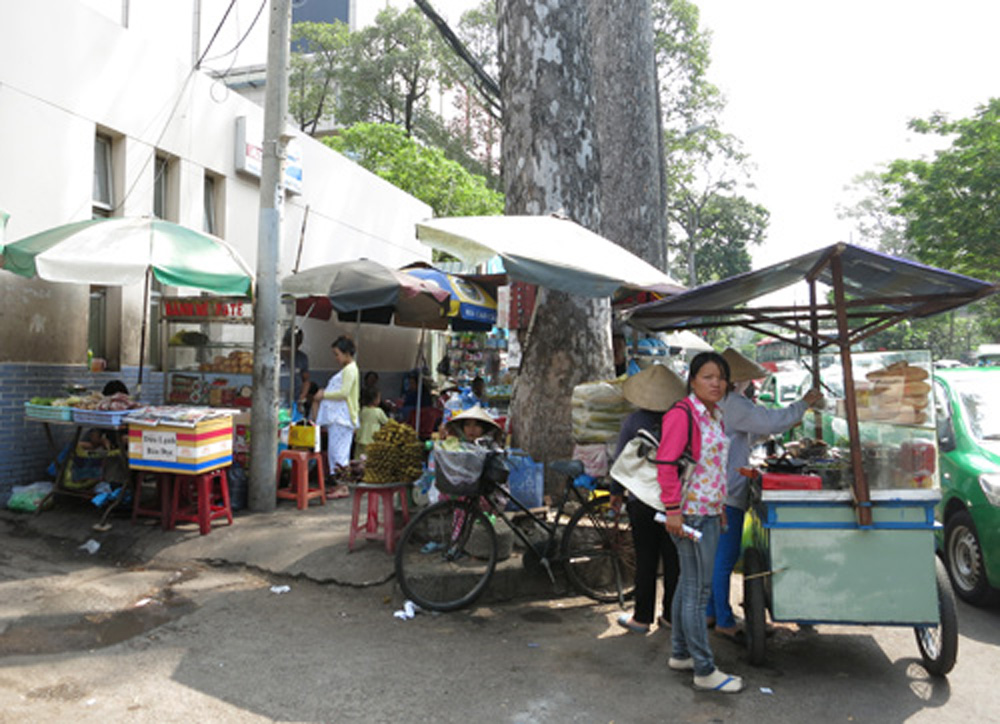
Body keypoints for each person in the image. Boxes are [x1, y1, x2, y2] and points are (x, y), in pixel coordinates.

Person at [707, 349, 823, 641]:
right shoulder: (733, 403)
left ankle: (712, 611)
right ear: (737, 381)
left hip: (711, 488)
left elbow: (745, 434)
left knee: (712, 557)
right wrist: (803, 405)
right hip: (724, 491)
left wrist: (781, 425)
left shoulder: (716, 402)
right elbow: (769, 422)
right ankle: (723, 620)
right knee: (724, 558)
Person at [657, 350, 744, 694]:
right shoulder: (683, 415)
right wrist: (674, 510)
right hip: (690, 513)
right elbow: (666, 464)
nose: (716, 383)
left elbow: (710, 468)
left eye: (720, 378)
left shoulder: (714, 415)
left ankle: (681, 653)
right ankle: (704, 669)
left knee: (687, 586)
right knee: (698, 591)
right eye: (708, 377)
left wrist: (720, 505)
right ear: (692, 381)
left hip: (708, 510)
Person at [611, 363, 686, 634]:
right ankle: (670, 616)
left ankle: (642, 618)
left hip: (640, 500)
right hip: (673, 501)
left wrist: (615, 493)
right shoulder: (681, 420)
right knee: (673, 560)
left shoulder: (633, 422)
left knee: (645, 558)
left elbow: (621, 460)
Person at [314, 336, 359, 500]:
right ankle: (340, 484)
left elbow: (344, 393)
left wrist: (323, 394)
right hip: (339, 418)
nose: (336, 358)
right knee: (336, 452)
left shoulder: (350, 370)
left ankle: (343, 486)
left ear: (347, 353)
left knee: (340, 453)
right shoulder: (349, 369)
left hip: (343, 418)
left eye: (337, 354)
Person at [282, 328, 310, 412]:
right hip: (278, 401)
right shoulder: (276, 356)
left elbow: (306, 381)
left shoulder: (302, 358)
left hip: (294, 401)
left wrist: (302, 396)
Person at [356, 386, 388, 457]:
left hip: (361, 439)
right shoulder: (378, 412)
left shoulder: (362, 410)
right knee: (371, 459)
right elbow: (387, 423)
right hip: (372, 439)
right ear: (375, 400)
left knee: (359, 458)